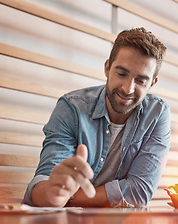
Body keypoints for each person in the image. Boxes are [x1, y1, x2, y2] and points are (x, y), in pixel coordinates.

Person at [22, 27, 170, 208]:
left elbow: (139, 191)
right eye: (121, 74)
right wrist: (54, 194)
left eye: (140, 81)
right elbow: (46, 183)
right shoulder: (71, 107)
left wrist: (71, 198)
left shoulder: (157, 114)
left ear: (152, 83)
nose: (128, 89)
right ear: (107, 68)